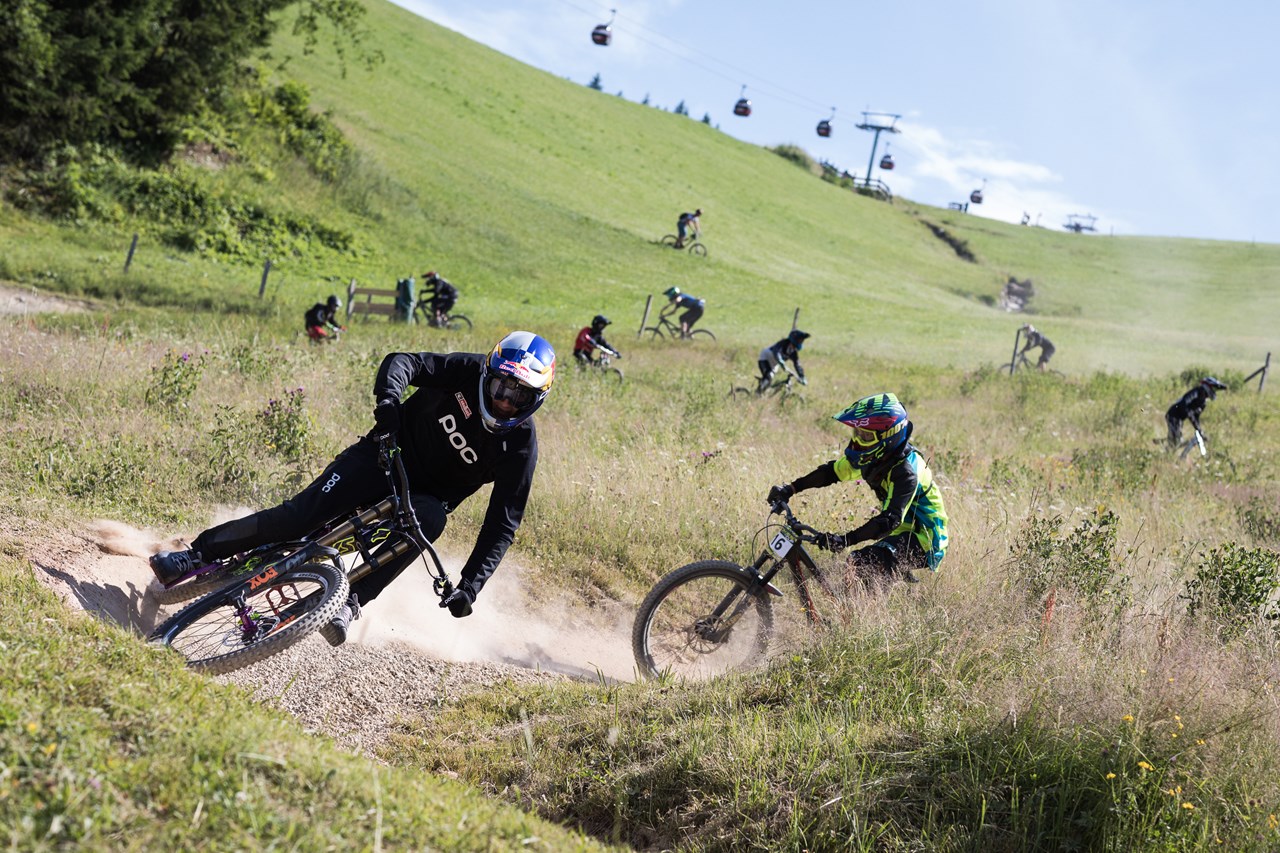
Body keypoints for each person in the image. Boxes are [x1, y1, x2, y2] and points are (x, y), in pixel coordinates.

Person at [149, 331, 558, 644]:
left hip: (417, 502)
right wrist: (388, 402)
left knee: (430, 521)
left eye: (519, 397)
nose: (505, 401)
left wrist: (470, 586)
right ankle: (195, 555)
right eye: (501, 388)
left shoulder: (521, 449)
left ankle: (352, 600)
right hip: (382, 457)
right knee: (297, 517)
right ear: (488, 373)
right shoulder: (466, 372)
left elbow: (502, 525)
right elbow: (405, 362)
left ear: (536, 400)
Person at [766, 392, 949, 589]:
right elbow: (831, 473)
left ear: (888, 437)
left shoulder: (907, 471)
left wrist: (844, 540)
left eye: (866, 435)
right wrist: (791, 489)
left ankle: (862, 617)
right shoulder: (875, 457)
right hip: (899, 532)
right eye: (858, 433)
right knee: (857, 576)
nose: (859, 440)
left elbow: (888, 520)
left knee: (860, 562)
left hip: (925, 539)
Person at [1166, 376, 1227, 450]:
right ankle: (1168, 449)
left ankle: (1171, 440)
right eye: (1214, 389)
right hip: (1173, 415)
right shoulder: (1196, 392)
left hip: (1180, 418)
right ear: (1208, 386)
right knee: (1175, 442)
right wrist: (1189, 413)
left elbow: (1196, 417)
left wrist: (1199, 430)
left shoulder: (1203, 403)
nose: (1214, 391)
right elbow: (1184, 403)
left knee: (1177, 440)